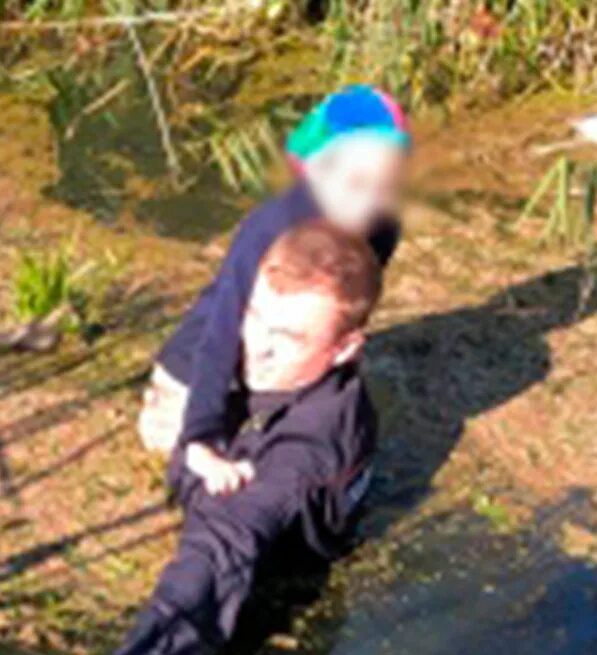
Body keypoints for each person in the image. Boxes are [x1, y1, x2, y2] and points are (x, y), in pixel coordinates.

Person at [30, 221, 382, 655]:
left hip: (280, 563)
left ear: (345, 347)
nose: (257, 349)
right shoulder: (267, 354)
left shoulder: (303, 454)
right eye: (256, 320)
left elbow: (222, 550)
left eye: (290, 338)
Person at [138, 84, 408, 498]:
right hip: (201, 370)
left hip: (276, 365)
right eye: (354, 181)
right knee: (196, 469)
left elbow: (344, 315)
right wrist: (202, 436)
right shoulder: (272, 225)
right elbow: (221, 328)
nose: (368, 201)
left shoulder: (383, 228)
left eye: (383, 182)